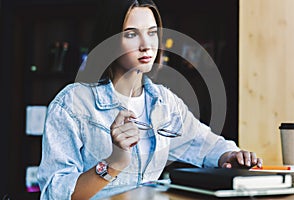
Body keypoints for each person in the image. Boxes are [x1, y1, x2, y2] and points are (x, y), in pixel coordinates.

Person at [37, 0, 263, 199]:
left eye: (152, 32)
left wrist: (231, 155)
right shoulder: (73, 103)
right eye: (131, 34)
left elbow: (205, 144)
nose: (147, 45)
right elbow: (54, 194)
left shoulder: (164, 102)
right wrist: (114, 163)